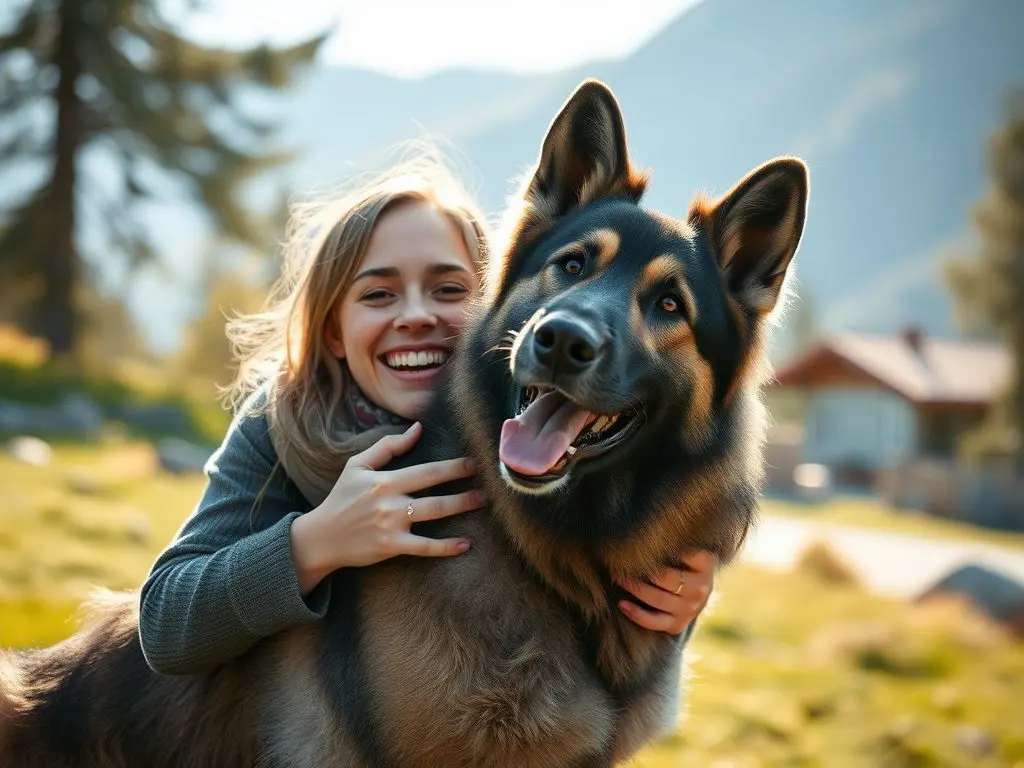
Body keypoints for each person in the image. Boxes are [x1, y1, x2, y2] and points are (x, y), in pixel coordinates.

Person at [138, 150, 716, 676]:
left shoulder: (540, 430)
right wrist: (317, 542)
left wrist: (678, 606)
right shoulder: (286, 420)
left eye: (448, 289)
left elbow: (598, 620)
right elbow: (165, 626)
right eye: (378, 294)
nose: (415, 315)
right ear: (333, 331)